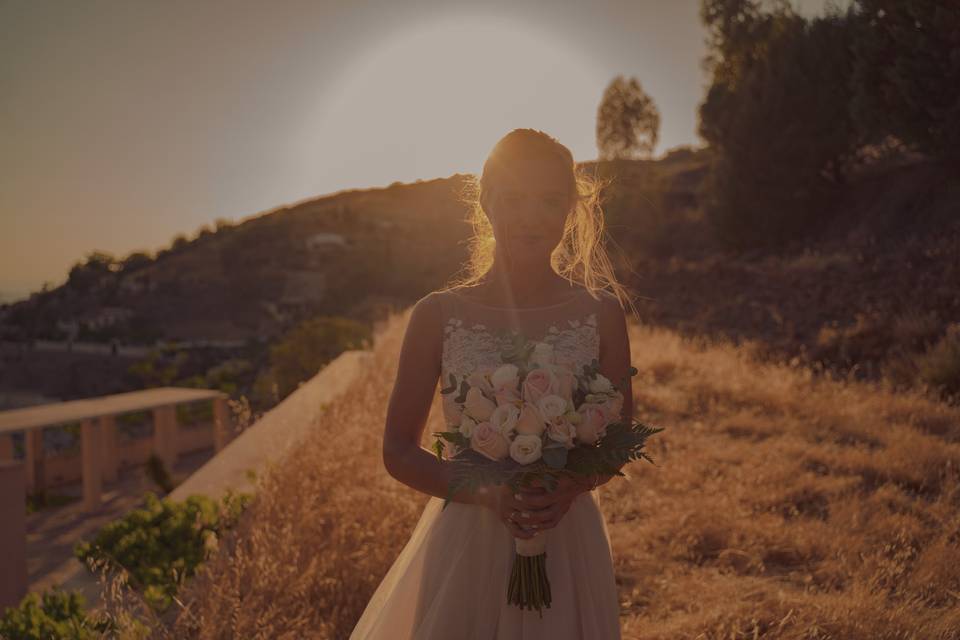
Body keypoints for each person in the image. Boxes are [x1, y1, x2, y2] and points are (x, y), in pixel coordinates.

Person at [350, 128, 639, 639]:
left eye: (550, 200)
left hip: (567, 536)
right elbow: (398, 450)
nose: (532, 216)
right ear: (485, 203)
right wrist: (489, 493)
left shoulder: (602, 313)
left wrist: (571, 484)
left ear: (571, 208)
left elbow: (618, 438)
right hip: (469, 539)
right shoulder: (437, 315)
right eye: (514, 199)